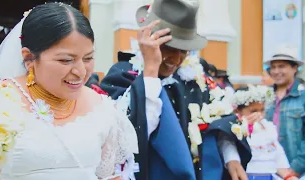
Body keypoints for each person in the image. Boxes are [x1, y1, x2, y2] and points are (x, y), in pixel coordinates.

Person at [100, 0, 257, 179]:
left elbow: (219, 121)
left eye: (184, 50)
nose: (176, 58)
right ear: (148, 39)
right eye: (168, 47)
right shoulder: (122, 75)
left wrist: (231, 158)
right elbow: (131, 134)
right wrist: (151, 70)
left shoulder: (196, 80)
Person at [0, 3, 138, 180]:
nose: (80, 71)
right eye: (66, 60)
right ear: (29, 58)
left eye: (88, 58)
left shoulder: (102, 108)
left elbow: (109, 175)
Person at [231, 85, 291, 180]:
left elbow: (278, 155)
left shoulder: (268, 127)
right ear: (238, 111)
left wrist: (288, 176)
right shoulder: (235, 129)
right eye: (253, 111)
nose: (259, 114)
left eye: (262, 110)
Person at [265, 45, 305, 179]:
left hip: (297, 171)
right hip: (267, 168)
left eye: (281, 66)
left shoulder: (303, 97)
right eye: (273, 67)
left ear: (294, 68)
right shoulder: (263, 96)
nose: (276, 71)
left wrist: (293, 170)